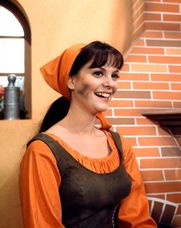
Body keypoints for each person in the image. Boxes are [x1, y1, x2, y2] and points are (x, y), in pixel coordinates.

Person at [19, 41, 157, 228]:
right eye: (98, 73)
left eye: (114, 75)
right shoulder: (42, 151)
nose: (110, 84)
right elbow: (42, 224)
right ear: (71, 80)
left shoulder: (118, 144)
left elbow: (137, 219)